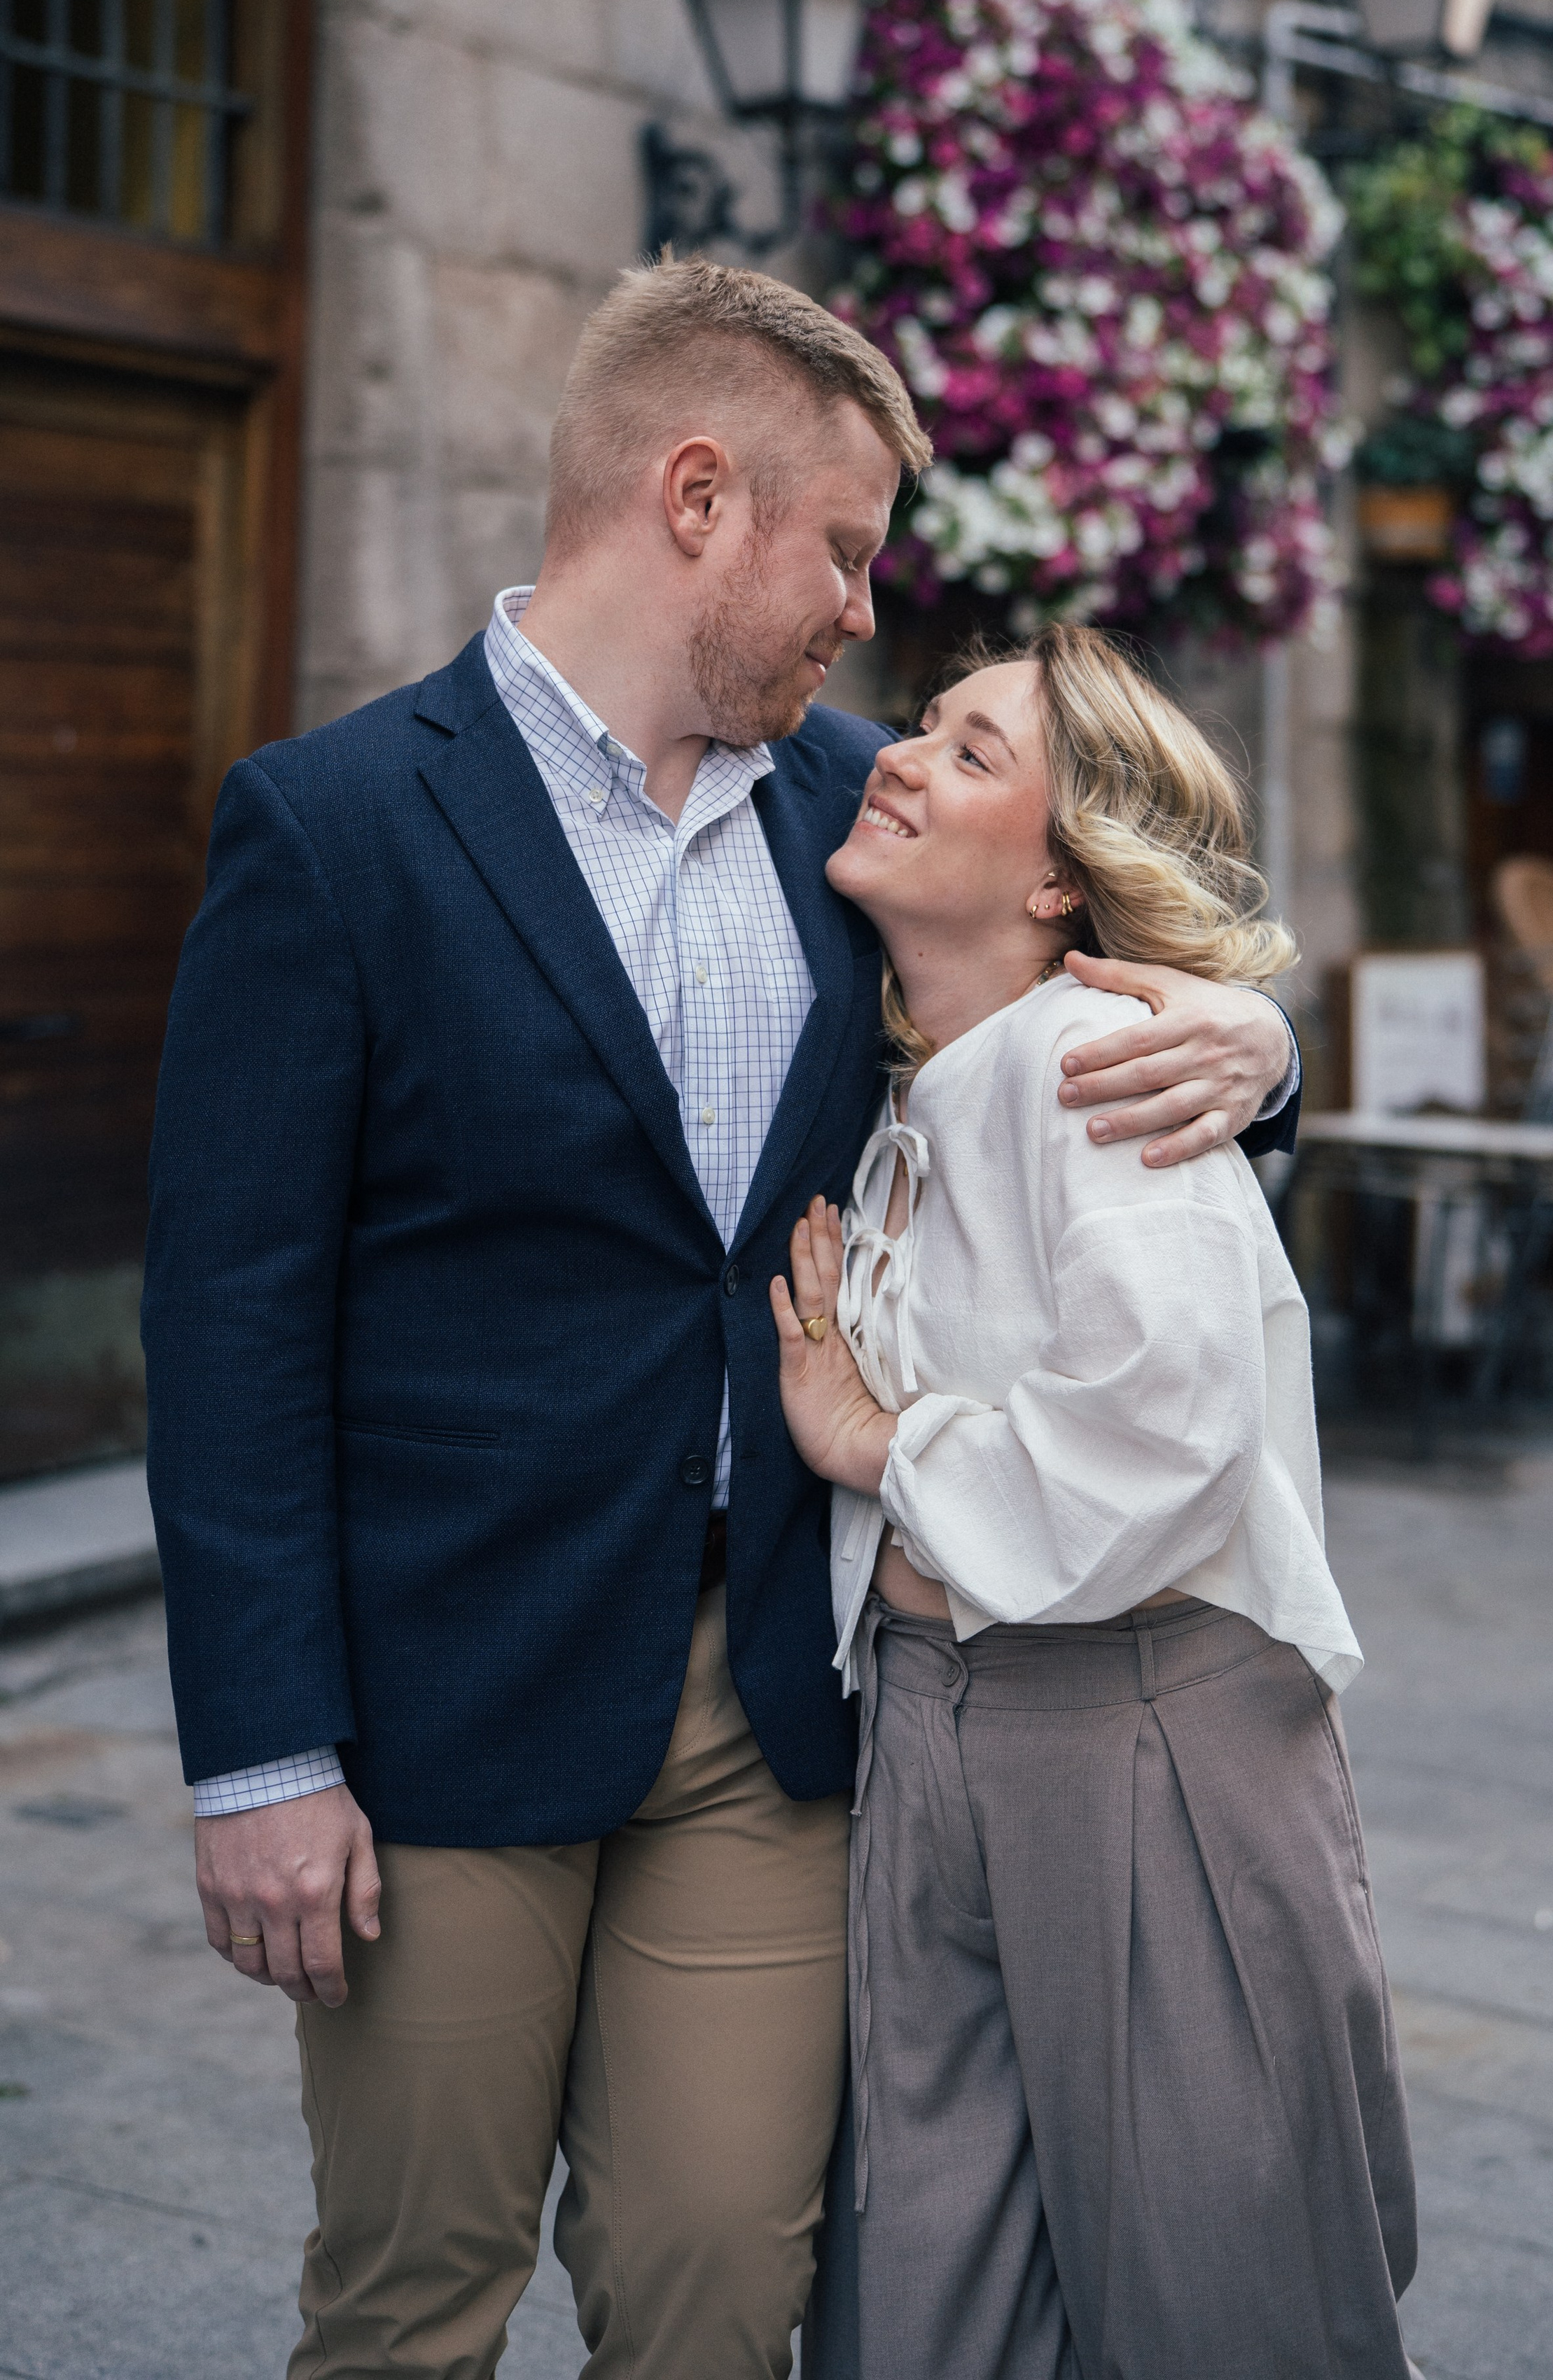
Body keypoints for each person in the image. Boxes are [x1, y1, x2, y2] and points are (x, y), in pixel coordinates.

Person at [141, 258, 1303, 2380]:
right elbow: (226, 1322)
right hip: (442, 1707)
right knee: (414, 2303)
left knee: (718, 2301)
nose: (866, 609)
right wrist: (260, 1756)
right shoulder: (333, 828)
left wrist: (1257, 1045)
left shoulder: (859, 817)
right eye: (844, 547)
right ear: (698, 498)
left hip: (770, 1693)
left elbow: (1088, 947)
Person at [773, 625, 1416, 2380]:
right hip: (927, 1721)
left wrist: (875, 1444)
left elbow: (1157, 1430)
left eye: (968, 752)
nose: (893, 756)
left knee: (1217, 2298)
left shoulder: (1098, 1070)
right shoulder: (932, 1077)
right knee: (924, 2281)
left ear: (1062, 874)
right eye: (916, 722)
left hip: (1135, 1733)